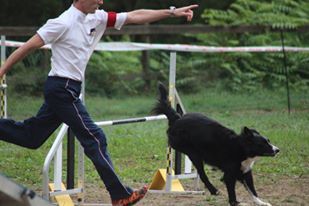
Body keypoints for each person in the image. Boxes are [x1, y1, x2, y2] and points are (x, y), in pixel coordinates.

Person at [0, 0, 198, 205]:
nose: (101, 1)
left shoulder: (99, 17)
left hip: (68, 89)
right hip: (61, 89)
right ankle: (120, 195)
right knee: (95, 137)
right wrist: (2, 71)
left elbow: (134, 16)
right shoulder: (61, 23)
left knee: (31, 137)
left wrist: (172, 12)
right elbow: (26, 47)